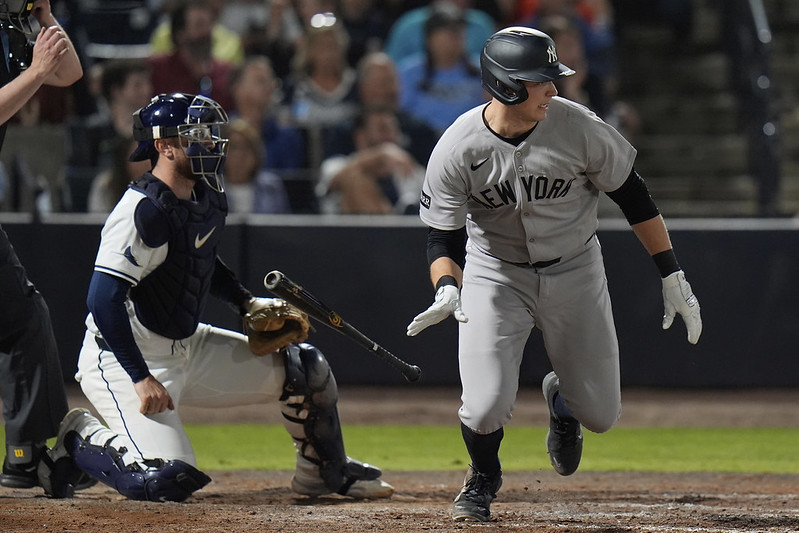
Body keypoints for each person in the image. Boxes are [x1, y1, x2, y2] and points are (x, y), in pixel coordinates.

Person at [406, 27, 702, 522]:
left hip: (576, 269)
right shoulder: (458, 146)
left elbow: (633, 195)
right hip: (495, 274)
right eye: (540, 80)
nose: (553, 88)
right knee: (482, 407)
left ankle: (561, 400)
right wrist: (447, 286)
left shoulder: (577, 126)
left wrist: (671, 273)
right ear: (505, 85)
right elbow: (442, 237)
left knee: (601, 415)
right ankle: (482, 478)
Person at [44, 92, 393, 503]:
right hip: (123, 358)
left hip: (188, 343)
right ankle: (77, 438)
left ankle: (323, 471)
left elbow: (200, 258)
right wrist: (140, 377)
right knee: (163, 483)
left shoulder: (205, 193)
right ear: (164, 146)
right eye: (196, 134)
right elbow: (103, 301)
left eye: (209, 132)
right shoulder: (142, 209)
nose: (210, 142)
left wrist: (246, 304)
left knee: (306, 369)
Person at [0, 0, 86, 494]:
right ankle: (27, 456)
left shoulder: (11, 28)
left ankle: (28, 455)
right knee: (23, 319)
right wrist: (34, 72)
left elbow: (69, 73)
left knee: (21, 319)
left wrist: (45, 17)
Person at [396, 1, 488, 135]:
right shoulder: (409, 73)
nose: (457, 36)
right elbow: (402, 114)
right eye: (449, 31)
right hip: (423, 141)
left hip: (472, 140)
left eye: (459, 30)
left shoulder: (483, 72)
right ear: (430, 38)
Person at [316, 105, 424, 215]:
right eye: (383, 129)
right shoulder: (336, 164)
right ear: (360, 136)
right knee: (354, 178)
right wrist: (381, 154)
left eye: (394, 130)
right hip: (342, 231)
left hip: (404, 231)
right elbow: (336, 180)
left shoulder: (410, 170)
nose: (391, 136)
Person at [147, 0, 236, 111]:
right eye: (199, 25)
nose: (207, 32)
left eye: (209, 25)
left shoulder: (226, 73)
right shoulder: (157, 70)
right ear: (180, 34)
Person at [224, 118, 292, 214]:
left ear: (256, 153)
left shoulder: (272, 187)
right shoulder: (211, 189)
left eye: (246, 147)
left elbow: (283, 226)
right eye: (234, 147)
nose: (240, 154)